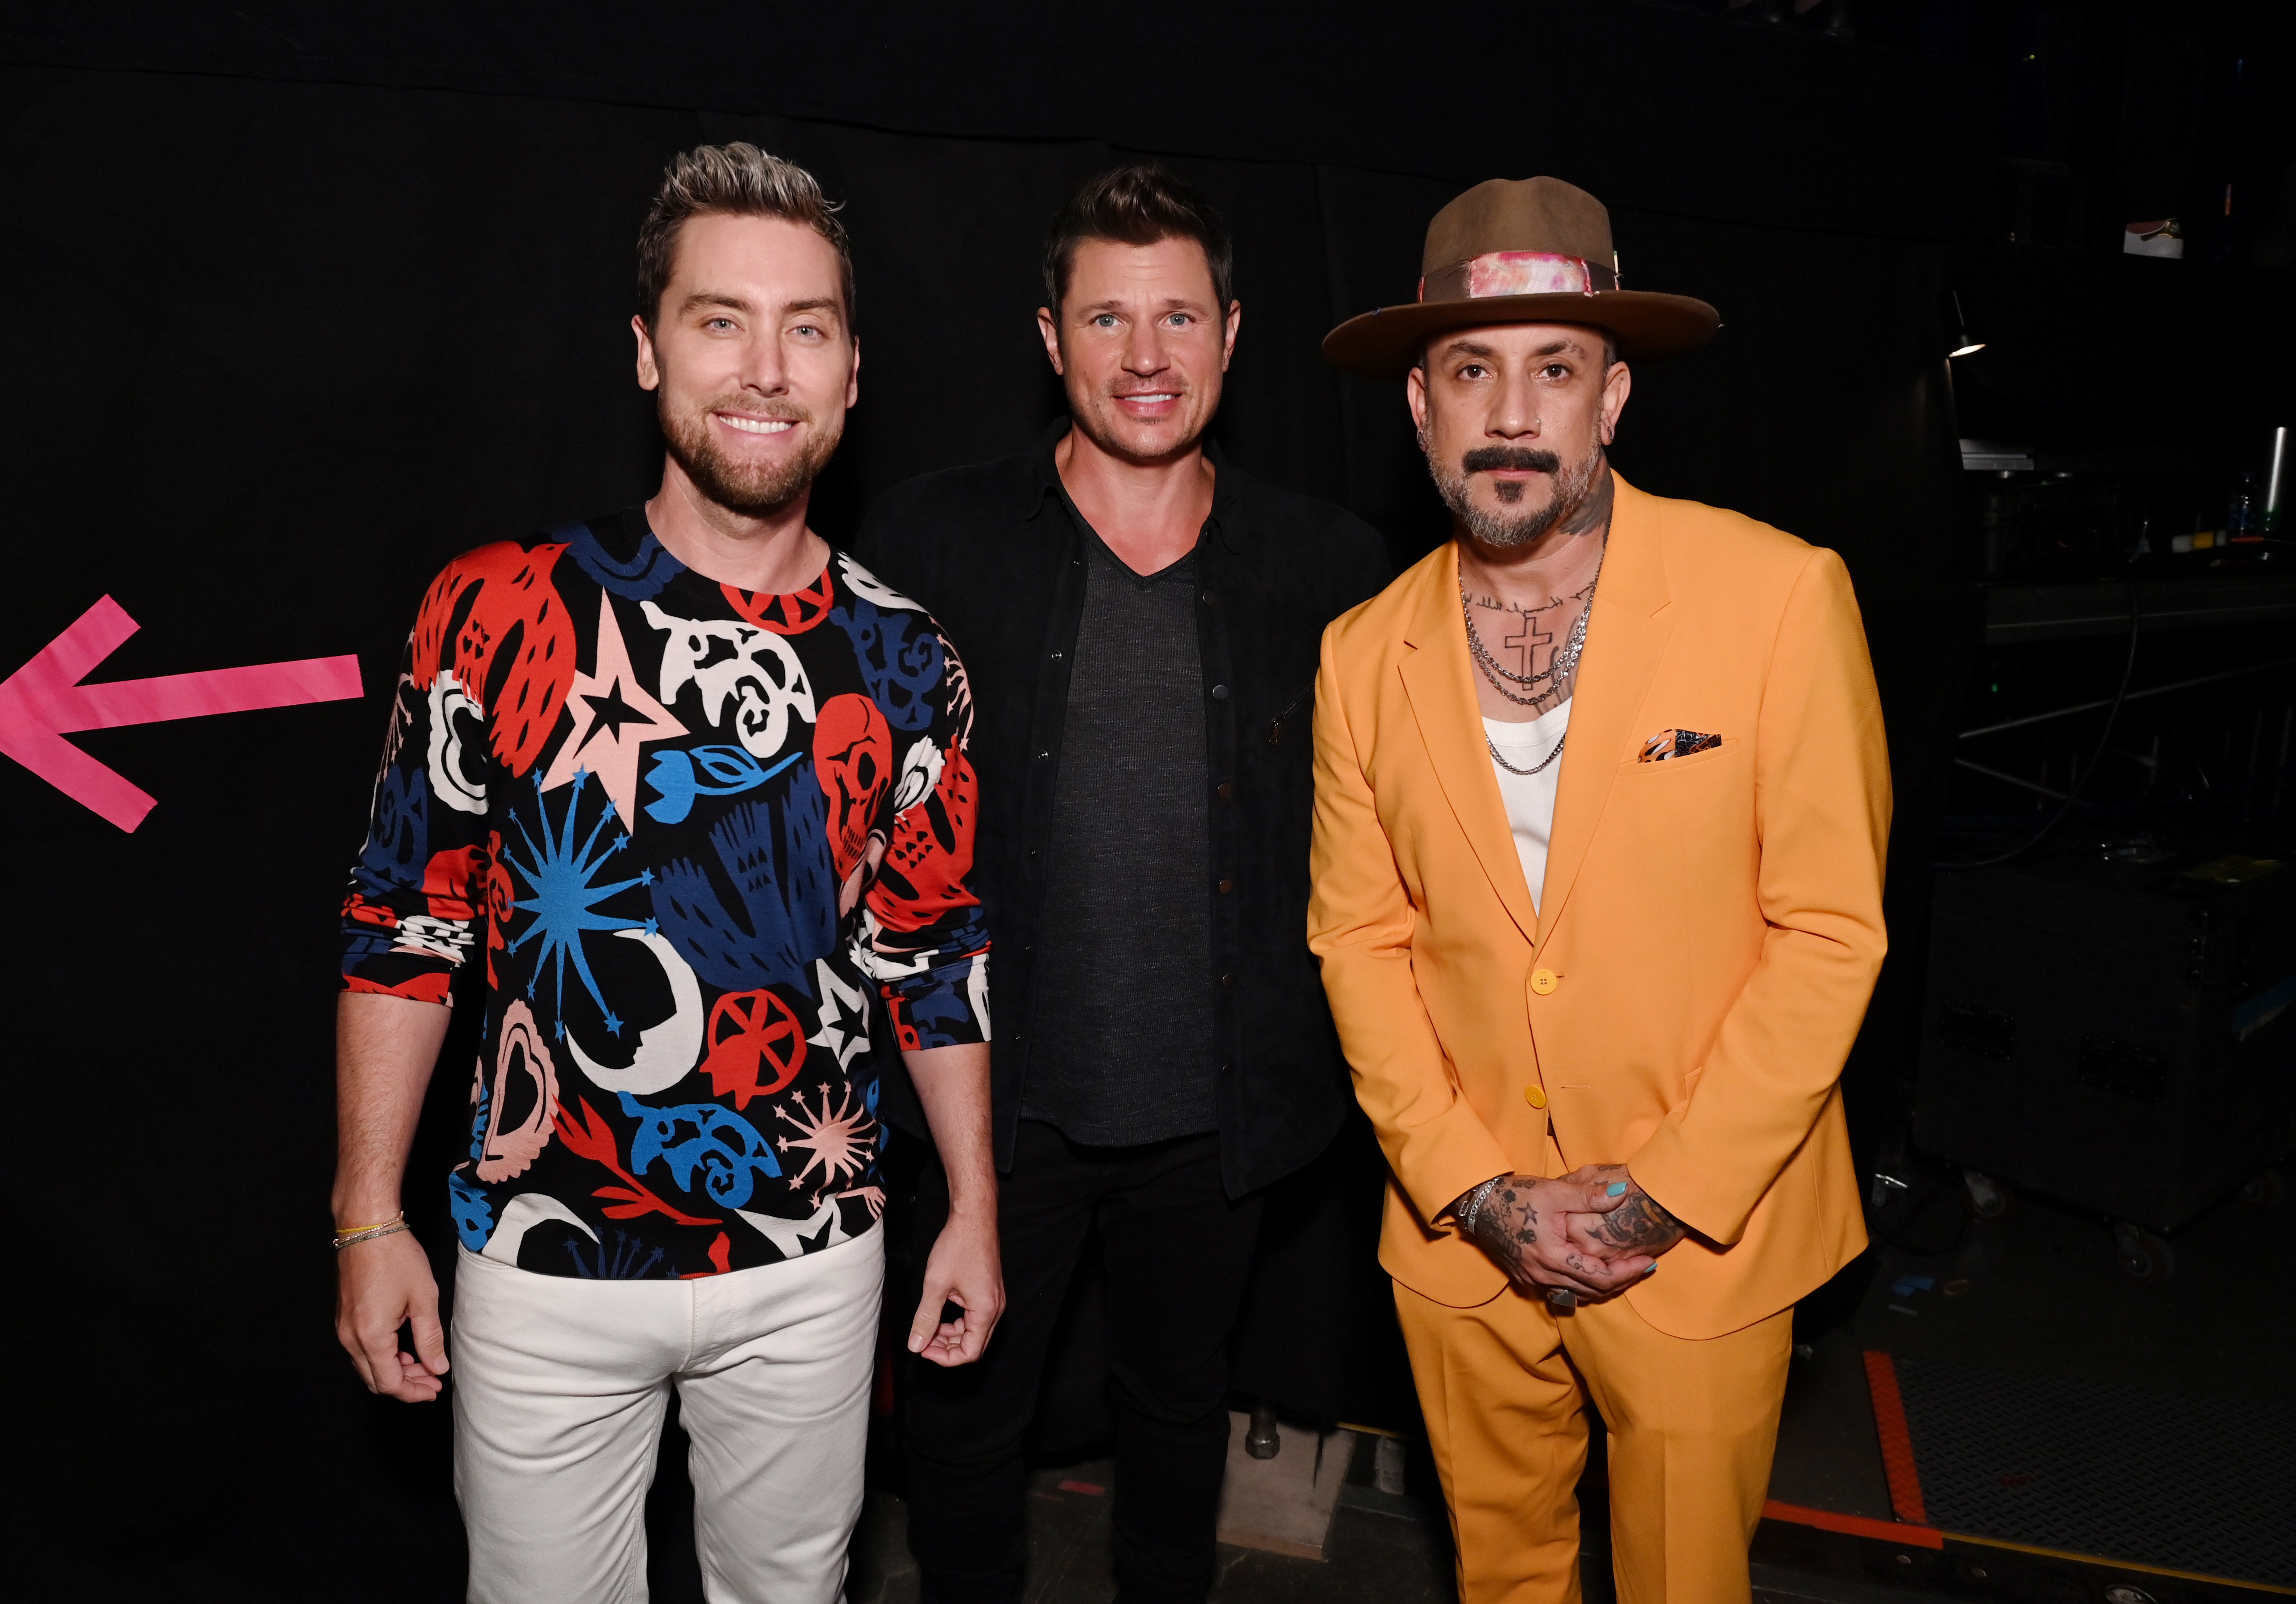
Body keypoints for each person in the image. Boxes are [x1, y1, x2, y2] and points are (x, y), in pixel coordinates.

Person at [329, 143, 1003, 1604]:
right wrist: (369, 1214)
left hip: (814, 1265)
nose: (764, 368)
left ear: (851, 372)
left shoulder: (910, 659)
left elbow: (932, 951)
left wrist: (976, 1206)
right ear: (646, 353)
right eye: (720, 320)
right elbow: (405, 922)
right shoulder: (495, 608)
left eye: (805, 328)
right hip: (538, 1257)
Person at [1309, 175, 1892, 1603]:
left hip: (1702, 1250)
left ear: (1613, 398)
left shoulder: (1781, 595)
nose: (1512, 412)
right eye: (1471, 371)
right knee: (1502, 1582)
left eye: (1554, 369)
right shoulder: (1356, 655)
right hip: (1466, 1254)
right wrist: (1480, 1191)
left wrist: (1660, 1199)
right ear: (1420, 409)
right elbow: (1359, 946)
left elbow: (1830, 934)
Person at [853, 164, 1390, 1604]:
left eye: (1176, 318)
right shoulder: (925, 543)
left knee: (1174, 1413)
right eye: (1106, 318)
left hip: (1216, 1114)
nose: (1145, 357)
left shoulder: (1329, 570)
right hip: (990, 1108)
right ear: (1050, 340)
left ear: (1230, 332)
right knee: (962, 1426)